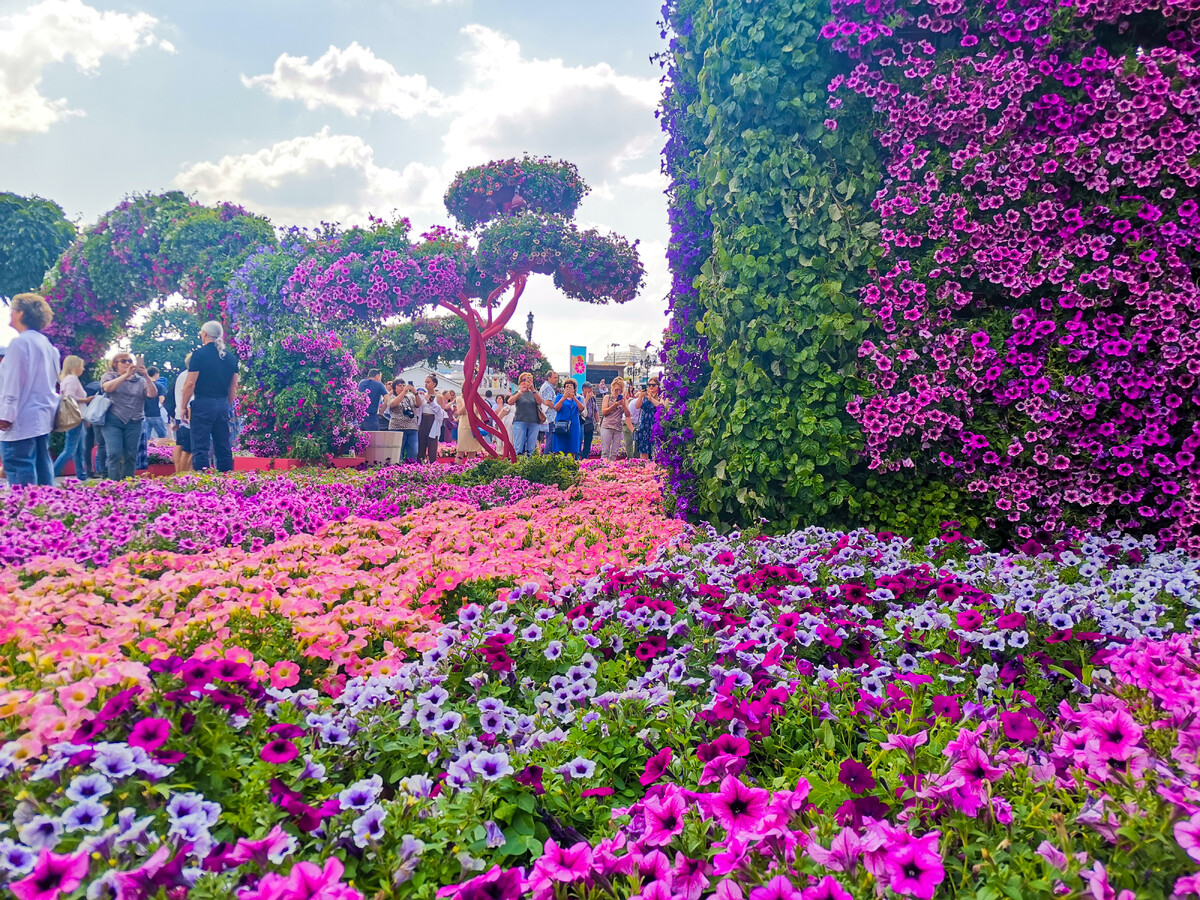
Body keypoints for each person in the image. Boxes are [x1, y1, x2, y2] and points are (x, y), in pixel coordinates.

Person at [0, 293, 61, 486]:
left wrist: (5, 415)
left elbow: (12, 381)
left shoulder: (20, 343)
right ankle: (45, 510)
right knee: (43, 466)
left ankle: (24, 509)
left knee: (18, 464)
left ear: (20, 313)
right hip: (42, 416)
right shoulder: (48, 346)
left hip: (21, 417)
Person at [180, 321, 239, 473]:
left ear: (204, 334)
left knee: (200, 446)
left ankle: (203, 480)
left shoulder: (198, 355)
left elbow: (190, 384)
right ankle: (226, 478)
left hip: (203, 403)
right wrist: (226, 404)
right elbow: (233, 386)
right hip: (222, 404)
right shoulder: (231, 358)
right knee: (223, 445)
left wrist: (183, 406)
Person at [100, 353, 156, 480]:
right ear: (115, 364)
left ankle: (128, 483)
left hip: (134, 420)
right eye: (123, 361)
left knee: (131, 455)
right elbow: (107, 388)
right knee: (114, 453)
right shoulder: (110, 376)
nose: (127, 363)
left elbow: (152, 394)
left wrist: (146, 375)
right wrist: (125, 375)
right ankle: (114, 484)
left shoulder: (140, 380)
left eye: (129, 361)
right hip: (113, 419)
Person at [52, 355, 91, 480]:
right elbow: (69, 397)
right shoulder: (73, 379)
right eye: (82, 366)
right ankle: (50, 475)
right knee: (70, 450)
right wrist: (86, 399)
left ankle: (82, 476)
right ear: (75, 366)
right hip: (76, 418)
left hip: (75, 418)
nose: (83, 369)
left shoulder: (67, 379)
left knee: (79, 449)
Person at [382, 379, 420, 461]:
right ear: (394, 388)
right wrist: (404, 392)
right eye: (399, 386)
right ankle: (398, 469)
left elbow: (418, 404)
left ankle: (411, 468)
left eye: (403, 385)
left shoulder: (410, 396)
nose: (402, 387)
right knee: (398, 453)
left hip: (411, 428)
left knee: (413, 452)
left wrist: (416, 393)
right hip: (397, 428)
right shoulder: (390, 397)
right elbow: (393, 404)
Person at [511, 374, 545, 457]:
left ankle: (530, 464)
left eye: (528, 380)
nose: (526, 382)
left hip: (534, 421)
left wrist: (533, 389)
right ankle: (517, 464)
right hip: (520, 420)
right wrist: (520, 392)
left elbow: (540, 402)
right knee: (518, 446)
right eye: (523, 380)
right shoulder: (517, 393)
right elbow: (510, 402)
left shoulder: (534, 393)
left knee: (531, 447)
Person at [549, 379, 582, 458]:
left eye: (570, 387)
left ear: (574, 389)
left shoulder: (578, 398)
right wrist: (564, 398)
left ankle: (571, 465)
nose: (568, 388)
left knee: (572, 447)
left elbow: (581, 408)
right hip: (561, 424)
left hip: (573, 425)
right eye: (566, 386)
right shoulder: (559, 396)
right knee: (559, 448)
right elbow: (556, 407)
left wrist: (574, 398)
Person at [633, 377, 664, 460]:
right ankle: (644, 469)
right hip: (644, 424)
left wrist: (651, 399)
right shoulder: (645, 396)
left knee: (655, 450)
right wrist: (640, 396)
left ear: (658, 386)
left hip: (655, 424)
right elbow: (637, 406)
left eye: (653, 385)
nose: (650, 387)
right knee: (644, 449)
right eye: (649, 385)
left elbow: (662, 406)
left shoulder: (661, 396)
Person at [600, 377, 628, 461]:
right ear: (612, 389)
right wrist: (614, 405)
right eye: (616, 390)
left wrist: (623, 405)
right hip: (607, 426)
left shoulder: (624, 400)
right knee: (605, 451)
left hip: (618, 428)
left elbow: (628, 414)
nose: (618, 392)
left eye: (620, 390)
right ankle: (602, 469)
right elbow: (604, 412)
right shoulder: (607, 397)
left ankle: (612, 469)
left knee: (614, 452)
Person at [173, 353, 193, 474]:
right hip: (188, 415)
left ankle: (179, 472)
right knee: (188, 449)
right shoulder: (190, 376)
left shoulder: (182, 375)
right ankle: (183, 474)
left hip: (179, 413)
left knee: (180, 445)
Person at [418, 376, 445, 463]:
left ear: (434, 384)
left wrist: (432, 403)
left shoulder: (439, 397)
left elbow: (442, 413)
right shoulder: (423, 395)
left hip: (433, 420)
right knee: (421, 443)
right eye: (425, 382)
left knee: (432, 444)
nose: (426, 384)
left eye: (428, 382)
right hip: (423, 420)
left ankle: (432, 464)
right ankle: (420, 463)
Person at [84, 376, 104, 478]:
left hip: (91, 418)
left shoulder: (90, 387)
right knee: (98, 444)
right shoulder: (98, 389)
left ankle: (90, 470)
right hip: (97, 420)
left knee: (89, 445)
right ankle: (94, 470)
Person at [454, 393, 484, 461]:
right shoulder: (460, 398)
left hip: (474, 423)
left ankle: (470, 466)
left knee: (473, 449)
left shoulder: (476, 398)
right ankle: (457, 467)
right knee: (461, 448)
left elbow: (478, 411)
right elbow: (459, 412)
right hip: (464, 424)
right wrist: (467, 402)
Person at [142, 367, 168, 441]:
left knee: (145, 437)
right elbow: (162, 399)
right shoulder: (159, 386)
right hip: (156, 413)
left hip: (144, 413)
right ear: (156, 374)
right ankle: (162, 451)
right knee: (163, 436)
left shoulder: (143, 385)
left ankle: (147, 451)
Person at [538, 371, 559, 452]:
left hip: (550, 418)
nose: (557, 380)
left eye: (557, 378)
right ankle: (547, 459)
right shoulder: (547, 387)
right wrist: (557, 407)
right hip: (550, 418)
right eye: (555, 378)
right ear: (549, 378)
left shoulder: (548, 387)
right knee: (550, 441)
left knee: (551, 441)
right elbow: (547, 402)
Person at [580, 382, 600, 459]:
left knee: (588, 442)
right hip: (581, 421)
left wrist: (598, 422)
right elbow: (581, 408)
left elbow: (596, 411)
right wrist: (587, 398)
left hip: (590, 422)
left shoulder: (593, 399)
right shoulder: (580, 397)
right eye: (589, 388)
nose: (591, 390)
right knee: (579, 441)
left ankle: (585, 458)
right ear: (584, 389)